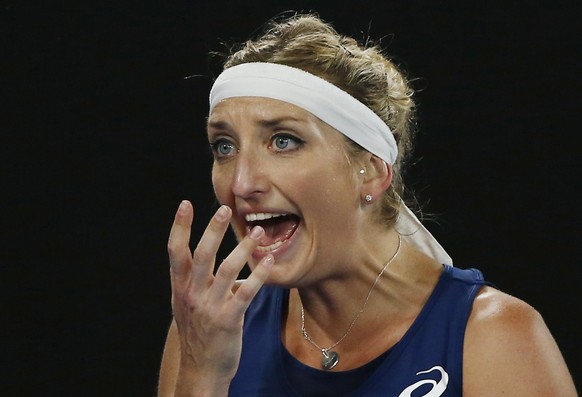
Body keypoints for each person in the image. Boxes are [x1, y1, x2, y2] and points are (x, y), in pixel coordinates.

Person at [157, 13, 577, 397]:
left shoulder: (491, 339)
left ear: (373, 172)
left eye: (283, 141)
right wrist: (202, 377)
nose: (242, 182)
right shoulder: (207, 330)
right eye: (224, 146)